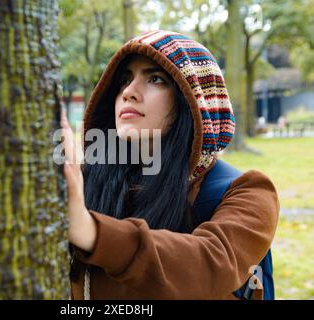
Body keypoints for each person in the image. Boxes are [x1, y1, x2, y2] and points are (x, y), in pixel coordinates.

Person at [60, 30, 279, 300]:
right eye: (124, 80)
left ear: (193, 103)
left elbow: (210, 264)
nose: (129, 92)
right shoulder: (88, 183)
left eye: (155, 79)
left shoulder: (248, 191)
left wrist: (90, 230)